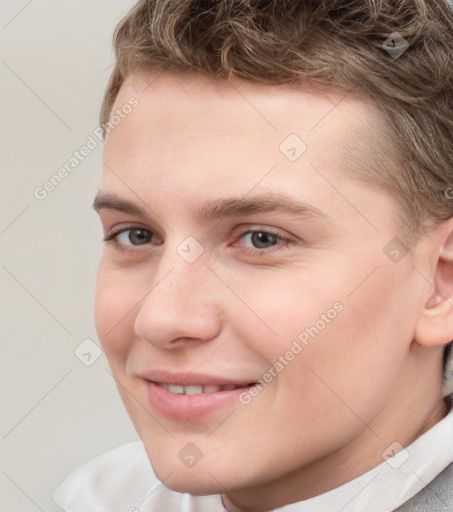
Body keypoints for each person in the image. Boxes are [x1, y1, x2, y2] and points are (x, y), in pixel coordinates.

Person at [53, 0, 453, 510]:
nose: (160, 318)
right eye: (135, 235)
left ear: (441, 282)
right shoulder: (99, 499)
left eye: (261, 239)